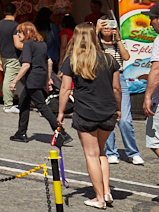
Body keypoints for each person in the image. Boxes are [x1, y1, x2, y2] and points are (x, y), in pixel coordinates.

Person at [56, 23, 121, 209]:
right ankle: (107, 191)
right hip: (108, 110)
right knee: (101, 152)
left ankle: (99, 197)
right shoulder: (109, 59)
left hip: (86, 112)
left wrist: (61, 112)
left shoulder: (73, 60)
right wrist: (118, 109)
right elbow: (116, 88)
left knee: (91, 155)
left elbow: (65, 88)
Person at [10, 21, 69, 145]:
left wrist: (14, 80)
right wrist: (47, 79)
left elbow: (26, 65)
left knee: (42, 106)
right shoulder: (41, 44)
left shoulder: (28, 44)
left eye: (20, 31)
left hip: (32, 79)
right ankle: (21, 132)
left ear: (27, 32)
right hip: (39, 78)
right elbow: (50, 62)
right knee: (24, 103)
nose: (18, 34)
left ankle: (61, 132)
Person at [142, 2, 159, 166]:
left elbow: (158, 69)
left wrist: (148, 96)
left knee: (156, 142)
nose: (151, 23)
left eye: (152, 19)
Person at [0, 2, 21, 113]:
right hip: (13, 56)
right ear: (16, 12)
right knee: (9, 80)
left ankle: (9, 103)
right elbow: (17, 44)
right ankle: (8, 105)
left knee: (8, 79)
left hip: (4, 56)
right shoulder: (15, 26)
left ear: (4, 12)